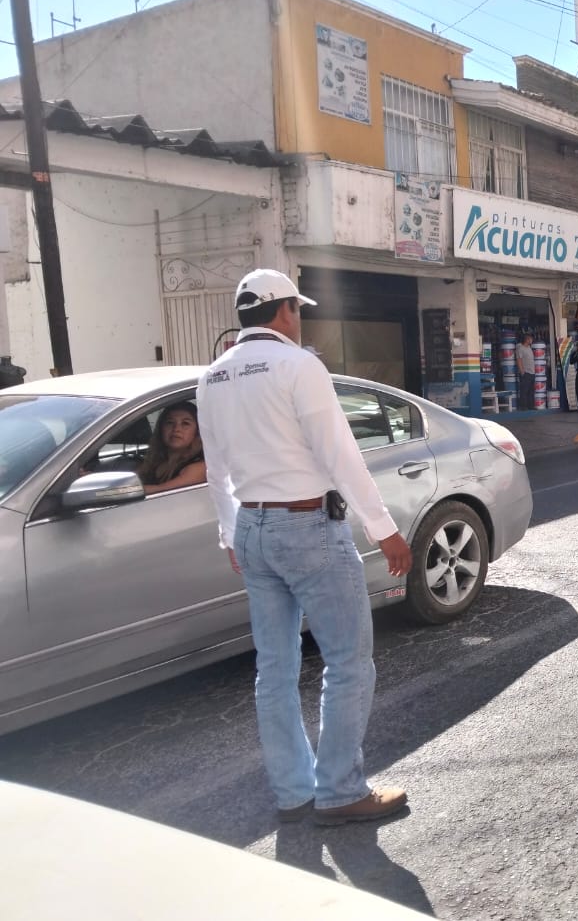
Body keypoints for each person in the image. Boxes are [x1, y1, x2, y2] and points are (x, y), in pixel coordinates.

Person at [197, 268, 414, 827]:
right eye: (297, 308)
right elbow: (340, 453)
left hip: (252, 527)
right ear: (285, 310)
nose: (299, 317)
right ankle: (341, 791)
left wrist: (229, 533)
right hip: (307, 527)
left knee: (274, 670)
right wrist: (383, 528)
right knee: (348, 663)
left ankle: (294, 792)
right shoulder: (299, 365)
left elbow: (216, 470)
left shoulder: (214, 376)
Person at [136, 401, 207, 495]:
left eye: (185, 423)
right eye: (170, 422)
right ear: (161, 428)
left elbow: (161, 491)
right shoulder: (154, 461)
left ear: (197, 431)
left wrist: (123, 491)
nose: (176, 429)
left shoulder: (199, 467)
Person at [515, 333, 535, 411]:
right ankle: (523, 406)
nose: (532, 340)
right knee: (524, 391)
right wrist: (522, 371)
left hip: (532, 372)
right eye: (530, 339)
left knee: (531, 391)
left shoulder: (529, 348)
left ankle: (531, 406)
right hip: (526, 372)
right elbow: (519, 360)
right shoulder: (520, 348)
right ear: (527, 339)